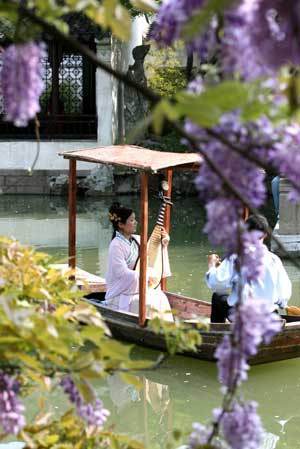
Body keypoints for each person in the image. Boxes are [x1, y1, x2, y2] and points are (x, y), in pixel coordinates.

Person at [206, 214, 292, 323]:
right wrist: (280, 303)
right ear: (265, 235)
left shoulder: (235, 256)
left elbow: (216, 283)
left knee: (217, 296)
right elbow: (284, 295)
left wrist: (212, 266)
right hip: (269, 315)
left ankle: (218, 334)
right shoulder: (274, 260)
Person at [104, 202, 173, 322]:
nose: (135, 222)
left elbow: (151, 258)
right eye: (131, 220)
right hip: (121, 293)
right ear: (121, 224)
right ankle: (154, 331)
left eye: (134, 219)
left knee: (161, 296)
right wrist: (145, 276)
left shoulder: (138, 239)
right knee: (150, 304)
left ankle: (167, 329)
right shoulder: (116, 245)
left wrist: (163, 243)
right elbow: (122, 274)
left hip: (137, 288)